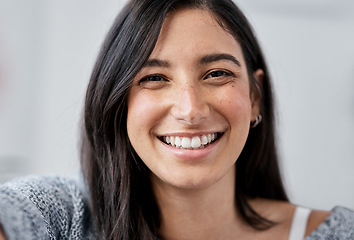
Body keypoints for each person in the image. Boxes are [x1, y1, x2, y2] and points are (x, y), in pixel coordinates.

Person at [1, 0, 354, 239]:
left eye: (216, 73)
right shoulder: (63, 217)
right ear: (118, 103)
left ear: (255, 97)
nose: (190, 110)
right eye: (153, 78)